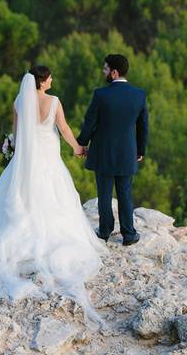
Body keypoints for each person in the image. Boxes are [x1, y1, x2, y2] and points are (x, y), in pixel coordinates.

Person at [0, 66, 108, 327]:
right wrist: (77, 148)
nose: (52, 80)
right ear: (42, 81)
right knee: (56, 196)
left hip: (27, 160)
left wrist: (12, 149)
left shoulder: (20, 101)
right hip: (48, 157)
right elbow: (63, 128)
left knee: (20, 194)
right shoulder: (54, 101)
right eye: (50, 77)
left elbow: (16, 134)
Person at [76, 54, 148, 246]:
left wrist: (81, 143)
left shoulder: (101, 94)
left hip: (103, 153)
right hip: (127, 153)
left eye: (106, 69)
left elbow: (90, 123)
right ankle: (129, 234)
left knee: (104, 195)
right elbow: (143, 127)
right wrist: (140, 150)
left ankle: (105, 231)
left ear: (114, 73)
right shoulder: (139, 95)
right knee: (125, 194)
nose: (104, 72)